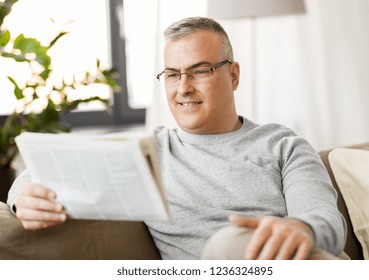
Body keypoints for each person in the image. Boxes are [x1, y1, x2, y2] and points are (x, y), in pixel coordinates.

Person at [7, 17, 346, 260]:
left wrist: (302, 228)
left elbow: (322, 215)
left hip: (299, 261)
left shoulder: (283, 145)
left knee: (232, 244)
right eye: (172, 74)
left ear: (233, 75)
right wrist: (23, 196)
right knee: (227, 246)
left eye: (200, 71)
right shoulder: (147, 152)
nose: (183, 87)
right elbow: (45, 166)